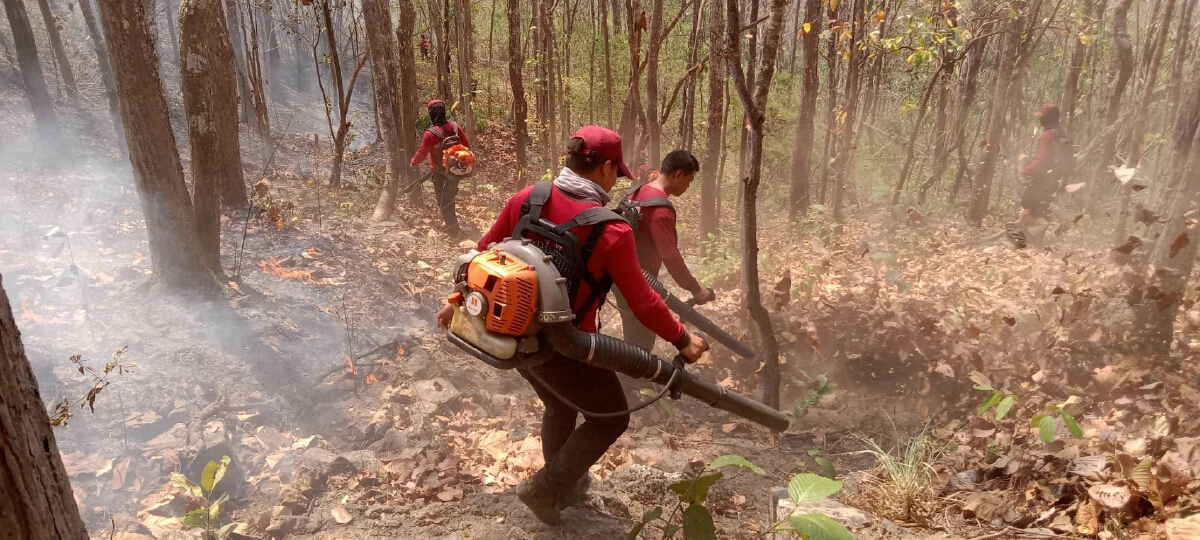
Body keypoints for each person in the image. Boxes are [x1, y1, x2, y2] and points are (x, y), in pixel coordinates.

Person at [435, 126, 708, 525]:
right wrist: (683, 339)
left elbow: (482, 254)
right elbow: (643, 302)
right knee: (612, 416)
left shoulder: (529, 197)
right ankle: (546, 489)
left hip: (514, 333)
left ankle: (564, 483)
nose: (617, 181)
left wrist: (455, 300)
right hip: (565, 344)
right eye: (617, 172)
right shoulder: (610, 230)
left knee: (559, 404)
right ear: (606, 167)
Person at [616, 150, 713, 351]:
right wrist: (695, 289)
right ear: (678, 174)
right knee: (640, 346)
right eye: (689, 180)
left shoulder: (637, 191)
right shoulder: (660, 210)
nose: (688, 186)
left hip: (620, 278)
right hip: (639, 284)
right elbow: (670, 256)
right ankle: (631, 381)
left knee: (633, 337)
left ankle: (629, 377)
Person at [1008, 103, 1070, 249]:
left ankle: (1021, 245)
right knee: (1041, 213)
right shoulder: (1062, 135)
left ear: (1048, 118)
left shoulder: (1047, 136)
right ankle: (1036, 246)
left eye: (1042, 117)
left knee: (1027, 211)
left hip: (1039, 181)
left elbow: (1041, 161)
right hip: (1054, 181)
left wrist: (1025, 170)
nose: (1040, 120)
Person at [410, 99, 469, 238]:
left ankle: (454, 230)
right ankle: (451, 226)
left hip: (438, 172)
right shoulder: (455, 127)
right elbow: (466, 146)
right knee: (448, 199)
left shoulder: (430, 134)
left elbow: (422, 152)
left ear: (431, 114)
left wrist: (413, 163)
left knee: (443, 201)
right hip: (456, 171)